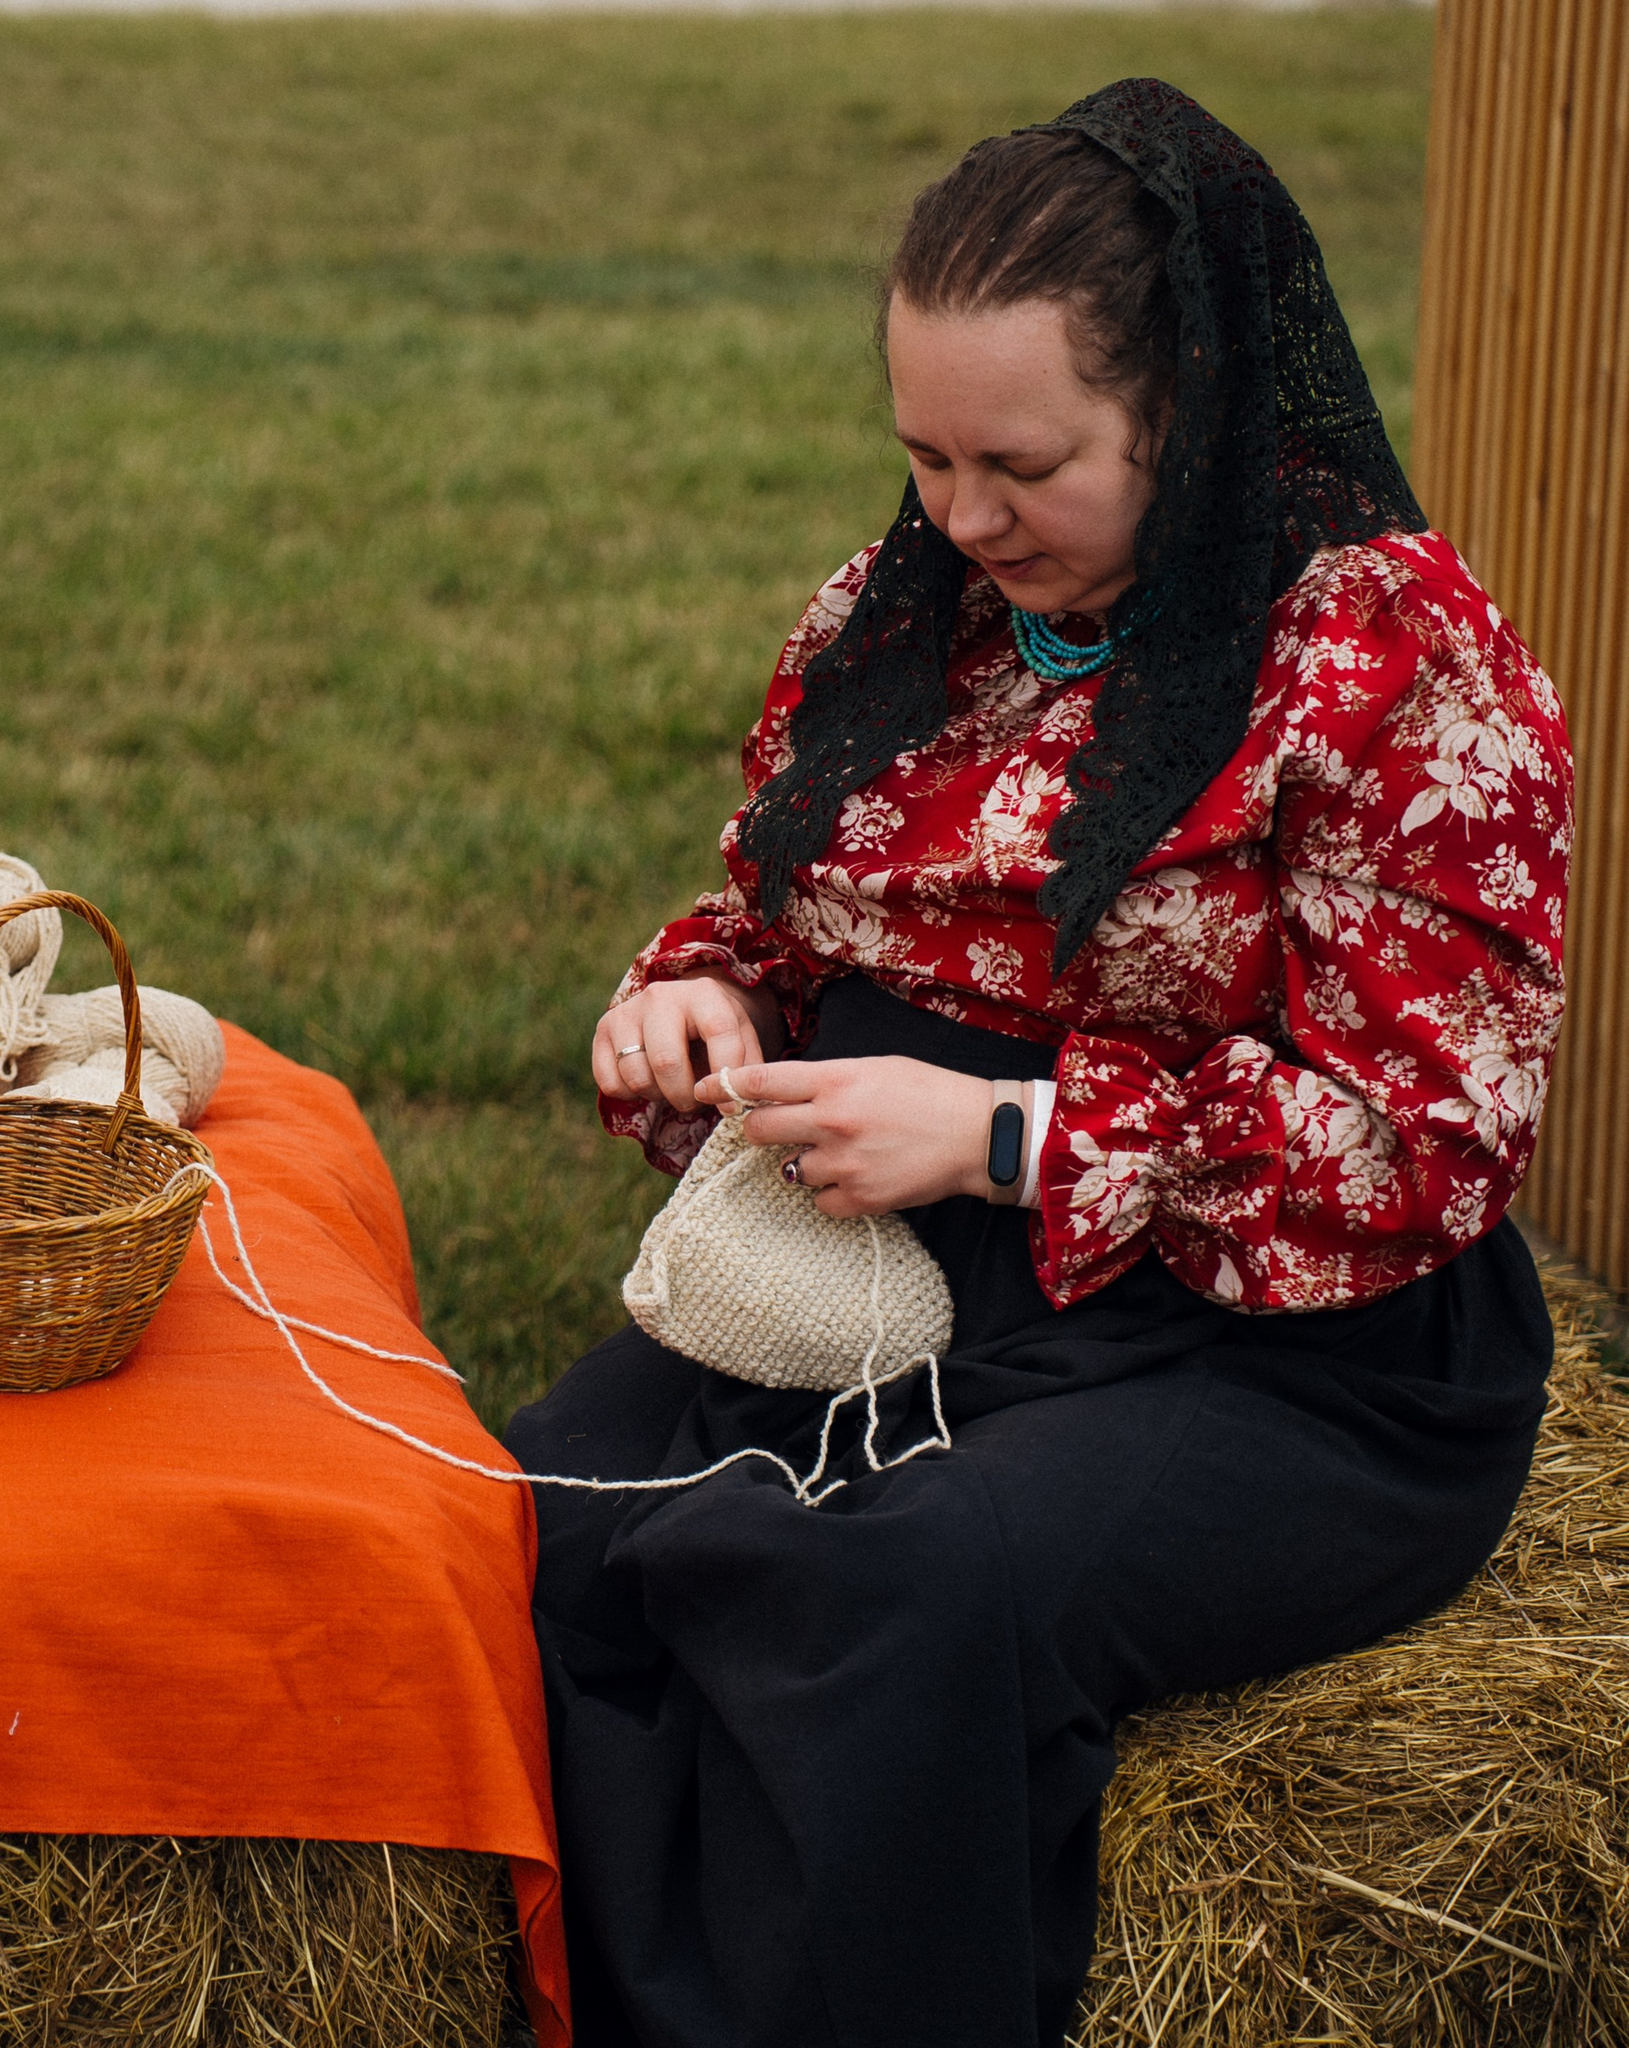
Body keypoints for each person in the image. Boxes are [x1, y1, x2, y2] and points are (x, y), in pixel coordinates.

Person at [504, 78, 1570, 2048]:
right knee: (544, 1519)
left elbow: (1429, 1141)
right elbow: (786, 910)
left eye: (1023, 463)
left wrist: (1007, 1135)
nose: (960, 519)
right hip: (892, 1272)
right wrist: (702, 1004)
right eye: (922, 455)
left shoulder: (1391, 664)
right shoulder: (907, 615)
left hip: (1270, 1349)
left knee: (876, 1598)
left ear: (1186, 407)